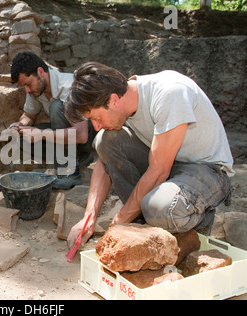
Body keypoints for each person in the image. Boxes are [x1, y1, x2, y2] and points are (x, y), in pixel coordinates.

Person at [65, 62, 233, 248]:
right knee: (105, 140)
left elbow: (159, 170)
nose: (95, 126)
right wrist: (89, 218)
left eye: (96, 118)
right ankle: (142, 223)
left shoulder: (170, 93)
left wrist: (118, 223)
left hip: (207, 171)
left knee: (161, 208)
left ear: (113, 100)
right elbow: (103, 163)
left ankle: (196, 223)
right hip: (168, 167)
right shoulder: (127, 99)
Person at [9, 51, 97, 189]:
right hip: (69, 135)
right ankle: (78, 158)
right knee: (23, 139)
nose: (27, 90)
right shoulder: (36, 90)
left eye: (28, 84)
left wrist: (42, 134)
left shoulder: (68, 86)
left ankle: (70, 175)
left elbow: (81, 134)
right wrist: (19, 126)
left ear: (40, 72)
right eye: (23, 87)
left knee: (57, 107)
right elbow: (29, 115)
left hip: (89, 135)